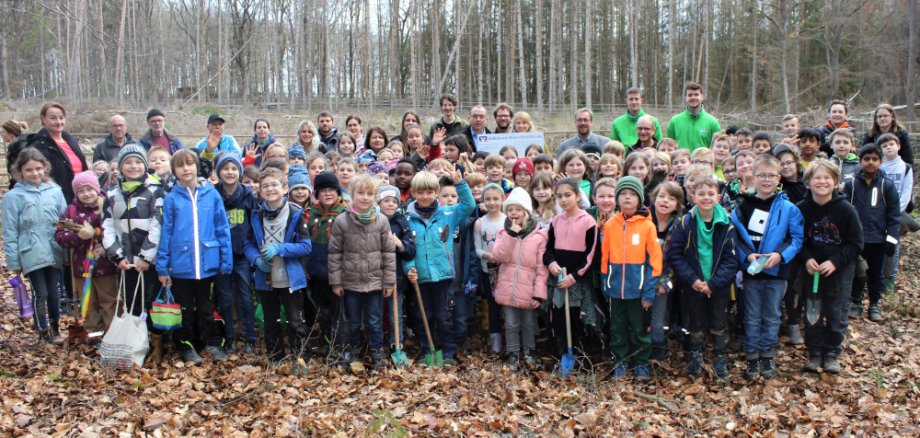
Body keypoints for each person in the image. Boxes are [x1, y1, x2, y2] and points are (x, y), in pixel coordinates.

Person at [731, 154, 804, 380]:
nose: (766, 180)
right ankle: (752, 355)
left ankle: (768, 355)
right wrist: (748, 256)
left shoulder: (789, 208)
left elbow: (795, 238)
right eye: (761, 175)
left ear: (778, 178)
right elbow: (736, 237)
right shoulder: (742, 206)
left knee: (772, 313)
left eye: (771, 176)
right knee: (752, 314)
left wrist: (779, 256)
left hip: (777, 271)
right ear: (753, 177)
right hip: (751, 270)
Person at [157, 149, 233, 364]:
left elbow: (222, 227)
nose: (186, 169)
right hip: (181, 265)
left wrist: (225, 260)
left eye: (189, 164)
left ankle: (212, 343)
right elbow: (166, 233)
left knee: (207, 307)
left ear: (196, 166)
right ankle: (186, 345)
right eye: (180, 166)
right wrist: (163, 267)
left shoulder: (211, 194)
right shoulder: (172, 199)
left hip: (207, 262)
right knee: (185, 309)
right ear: (174, 171)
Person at [668, 175, 738, 380]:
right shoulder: (684, 223)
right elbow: (676, 254)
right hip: (693, 285)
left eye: (710, 193)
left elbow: (731, 260)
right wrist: (693, 280)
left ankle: (718, 356)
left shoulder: (727, 224)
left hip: (719, 286)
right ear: (692, 196)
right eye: (701, 194)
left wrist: (713, 284)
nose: (706, 197)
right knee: (695, 323)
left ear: (718, 196)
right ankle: (696, 355)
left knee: (718, 322)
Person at [797, 160, 863, 374]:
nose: (822, 182)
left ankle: (832, 352)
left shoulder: (846, 209)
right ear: (808, 182)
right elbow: (797, 240)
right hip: (812, 272)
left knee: (836, 312)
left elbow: (856, 243)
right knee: (812, 312)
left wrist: (835, 261)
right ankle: (815, 352)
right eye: (817, 177)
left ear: (835, 182)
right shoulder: (802, 209)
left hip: (839, 271)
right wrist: (806, 258)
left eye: (827, 178)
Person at [405, 169, 475, 367]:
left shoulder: (448, 213)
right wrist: (409, 267)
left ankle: (448, 352)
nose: (425, 196)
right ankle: (428, 350)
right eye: (421, 192)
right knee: (423, 316)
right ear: (414, 193)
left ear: (436, 192)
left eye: (430, 192)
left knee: (444, 315)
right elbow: (406, 247)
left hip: (443, 275)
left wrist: (460, 184)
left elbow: (469, 206)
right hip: (420, 277)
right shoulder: (408, 219)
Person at [245, 167, 313, 367]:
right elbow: (248, 244)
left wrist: (281, 248)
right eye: (265, 186)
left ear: (285, 188)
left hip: (290, 278)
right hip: (266, 279)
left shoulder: (295, 213)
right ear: (259, 190)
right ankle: (275, 357)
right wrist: (256, 259)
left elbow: (306, 246)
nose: (270, 189)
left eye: (274, 184)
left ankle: (300, 357)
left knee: (295, 320)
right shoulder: (256, 215)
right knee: (270, 320)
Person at [328, 174, 396, 370]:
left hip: (375, 281)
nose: (365, 197)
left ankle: (376, 351)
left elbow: (388, 253)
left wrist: (389, 282)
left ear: (375, 196)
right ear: (352, 194)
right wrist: (337, 282)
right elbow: (334, 253)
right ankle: (353, 350)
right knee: (353, 320)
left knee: (374, 320)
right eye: (361, 193)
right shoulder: (342, 221)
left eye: (369, 194)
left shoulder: (382, 220)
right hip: (350, 281)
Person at [600, 176, 663, 380]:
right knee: (617, 329)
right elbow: (605, 257)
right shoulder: (610, 225)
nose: (627, 198)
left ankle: (642, 363)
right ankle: (620, 361)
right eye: (623, 194)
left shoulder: (647, 226)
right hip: (616, 290)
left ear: (640, 199)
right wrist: (605, 283)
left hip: (639, 290)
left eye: (632, 194)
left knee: (641, 330)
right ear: (618, 198)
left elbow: (655, 262)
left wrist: (649, 291)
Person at [101, 145, 163, 348]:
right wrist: (117, 256)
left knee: (153, 302)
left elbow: (157, 225)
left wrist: (146, 257)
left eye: (138, 162)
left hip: (148, 262)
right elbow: (107, 225)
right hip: (126, 262)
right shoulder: (111, 194)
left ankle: (156, 345)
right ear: (120, 166)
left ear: (144, 165)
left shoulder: (155, 191)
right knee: (131, 302)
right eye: (128, 162)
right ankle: (135, 344)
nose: (133, 166)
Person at [3, 148, 67, 343]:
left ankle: (55, 328)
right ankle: (42, 330)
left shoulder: (55, 191)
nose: (35, 173)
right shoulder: (14, 197)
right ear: (20, 171)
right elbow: (10, 230)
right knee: (41, 293)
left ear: (45, 168)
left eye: (38, 168)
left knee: (55, 291)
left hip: (53, 248)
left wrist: (67, 252)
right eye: (29, 170)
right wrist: (14, 261)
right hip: (31, 251)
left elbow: (65, 221)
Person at [55, 171, 118, 338]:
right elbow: (60, 235)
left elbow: (116, 232)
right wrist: (78, 236)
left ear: (97, 189)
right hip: (82, 268)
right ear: (76, 193)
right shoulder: (71, 211)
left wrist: (105, 248)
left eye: (89, 189)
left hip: (105, 267)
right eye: (81, 191)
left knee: (109, 301)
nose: (86, 194)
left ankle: (111, 336)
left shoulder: (107, 206)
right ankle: (94, 334)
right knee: (88, 303)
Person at [492, 187, 548, 370]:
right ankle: (513, 354)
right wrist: (511, 235)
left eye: (518, 209)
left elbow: (541, 267)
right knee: (510, 323)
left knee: (529, 323)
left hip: (529, 289)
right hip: (508, 288)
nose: (514, 213)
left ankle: (530, 352)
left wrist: (538, 294)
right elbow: (499, 256)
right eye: (510, 210)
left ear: (526, 212)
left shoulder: (539, 236)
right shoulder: (504, 234)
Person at [844, 144, 900, 322]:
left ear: (880, 162)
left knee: (876, 273)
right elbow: (844, 211)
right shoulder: (851, 185)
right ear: (860, 161)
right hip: (856, 239)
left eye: (874, 159)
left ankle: (874, 303)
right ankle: (856, 301)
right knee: (858, 272)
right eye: (866, 159)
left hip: (878, 238)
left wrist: (891, 239)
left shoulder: (887, 186)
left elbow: (894, 215)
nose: (870, 163)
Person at [543, 178, 598, 358]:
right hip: (558, 279)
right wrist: (551, 263)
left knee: (577, 319)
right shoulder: (556, 221)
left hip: (577, 281)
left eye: (568, 195)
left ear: (577, 196)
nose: (563, 200)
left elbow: (590, 256)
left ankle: (581, 356)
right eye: (559, 196)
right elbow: (548, 249)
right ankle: (563, 355)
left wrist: (574, 277)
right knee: (559, 319)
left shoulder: (588, 221)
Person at [213, 154, 258, 354]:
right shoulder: (213, 195)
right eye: (225, 168)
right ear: (218, 172)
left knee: (245, 298)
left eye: (234, 168)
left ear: (239, 172)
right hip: (221, 256)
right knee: (225, 299)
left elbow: (254, 226)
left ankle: (250, 337)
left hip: (242, 256)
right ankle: (229, 337)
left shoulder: (248, 196)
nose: (229, 172)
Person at [14, 102, 88, 202]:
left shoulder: (71, 141)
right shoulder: (37, 146)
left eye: (61, 118)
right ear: (43, 119)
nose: (58, 122)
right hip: (56, 200)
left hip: (81, 199)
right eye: (53, 118)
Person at [376, 185, 416, 349]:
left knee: (395, 314)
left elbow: (411, 251)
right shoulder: (373, 220)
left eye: (394, 201)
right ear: (379, 203)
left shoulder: (403, 223)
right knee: (376, 313)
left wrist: (400, 244)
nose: (391, 204)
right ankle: (376, 344)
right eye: (386, 201)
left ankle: (396, 344)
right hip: (375, 274)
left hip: (396, 276)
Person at [475, 183, 508, 354]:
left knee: (508, 307)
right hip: (488, 271)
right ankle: (495, 340)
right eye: (487, 199)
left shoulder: (508, 220)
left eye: (496, 199)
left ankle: (511, 341)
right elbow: (477, 248)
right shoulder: (480, 223)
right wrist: (486, 256)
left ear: (502, 199)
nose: (492, 202)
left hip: (507, 270)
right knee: (493, 306)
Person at [878, 133, 913, 291]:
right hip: (879, 212)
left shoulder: (906, 167)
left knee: (894, 244)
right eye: (884, 146)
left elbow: (907, 191)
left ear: (898, 146)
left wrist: (896, 212)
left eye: (891, 144)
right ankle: (878, 275)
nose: (888, 147)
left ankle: (890, 278)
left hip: (897, 213)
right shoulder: (880, 167)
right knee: (879, 244)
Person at [666, 82, 721, 151]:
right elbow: (669, 147)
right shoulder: (674, 121)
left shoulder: (713, 122)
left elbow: (716, 148)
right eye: (690, 95)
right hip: (681, 161)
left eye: (696, 94)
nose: (693, 97)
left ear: (702, 97)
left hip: (703, 161)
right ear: (685, 98)